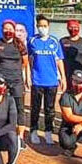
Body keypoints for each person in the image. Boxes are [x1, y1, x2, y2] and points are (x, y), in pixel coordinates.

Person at [0, 20, 29, 143]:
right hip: (1, 83)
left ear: (14, 30)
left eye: (10, 29)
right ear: (2, 30)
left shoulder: (20, 45)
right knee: (0, 107)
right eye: (6, 29)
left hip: (16, 81)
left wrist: (15, 71)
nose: (8, 31)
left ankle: (20, 137)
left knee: (19, 108)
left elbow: (25, 62)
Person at [26, 14, 65, 145]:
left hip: (52, 81)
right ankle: (33, 131)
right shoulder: (32, 41)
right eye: (40, 26)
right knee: (35, 108)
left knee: (50, 109)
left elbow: (59, 61)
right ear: (37, 27)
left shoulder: (54, 41)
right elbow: (29, 61)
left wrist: (63, 78)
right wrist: (28, 77)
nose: (42, 28)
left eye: (45, 26)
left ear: (48, 26)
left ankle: (48, 132)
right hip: (37, 80)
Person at [59, 19, 82, 90]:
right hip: (68, 74)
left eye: (75, 27)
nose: (73, 29)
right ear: (67, 28)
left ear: (79, 28)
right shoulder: (62, 41)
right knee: (68, 95)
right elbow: (59, 58)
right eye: (71, 27)